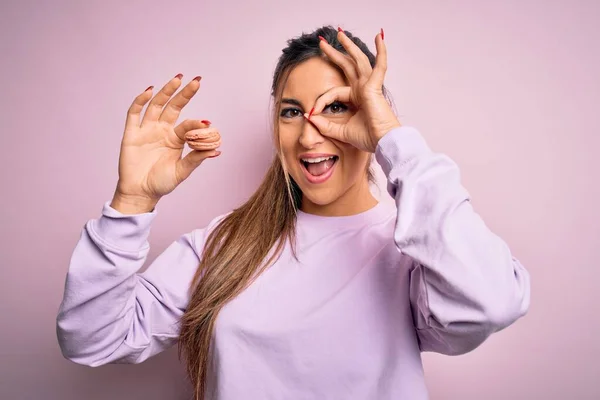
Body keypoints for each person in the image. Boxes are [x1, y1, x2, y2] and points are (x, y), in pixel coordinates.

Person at [56, 25, 530, 400]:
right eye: (290, 112)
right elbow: (94, 339)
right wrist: (132, 204)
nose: (309, 136)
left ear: (372, 116)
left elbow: (490, 301)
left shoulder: (412, 248)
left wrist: (395, 142)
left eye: (337, 108)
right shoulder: (224, 242)